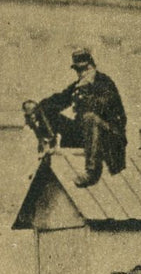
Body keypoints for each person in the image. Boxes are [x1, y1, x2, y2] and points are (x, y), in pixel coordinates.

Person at [36, 48, 129, 187]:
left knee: (89, 118)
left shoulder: (105, 82)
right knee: (48, 110)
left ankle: (92, 172)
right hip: (86, 134)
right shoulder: (78, 86)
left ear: (92, 67)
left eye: (85, 69)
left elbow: (102, 106)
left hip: (109, 135)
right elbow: (60, 99)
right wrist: (39, 107)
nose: (81, 73)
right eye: (78, 70)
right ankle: (49, 145)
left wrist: (86, 91)